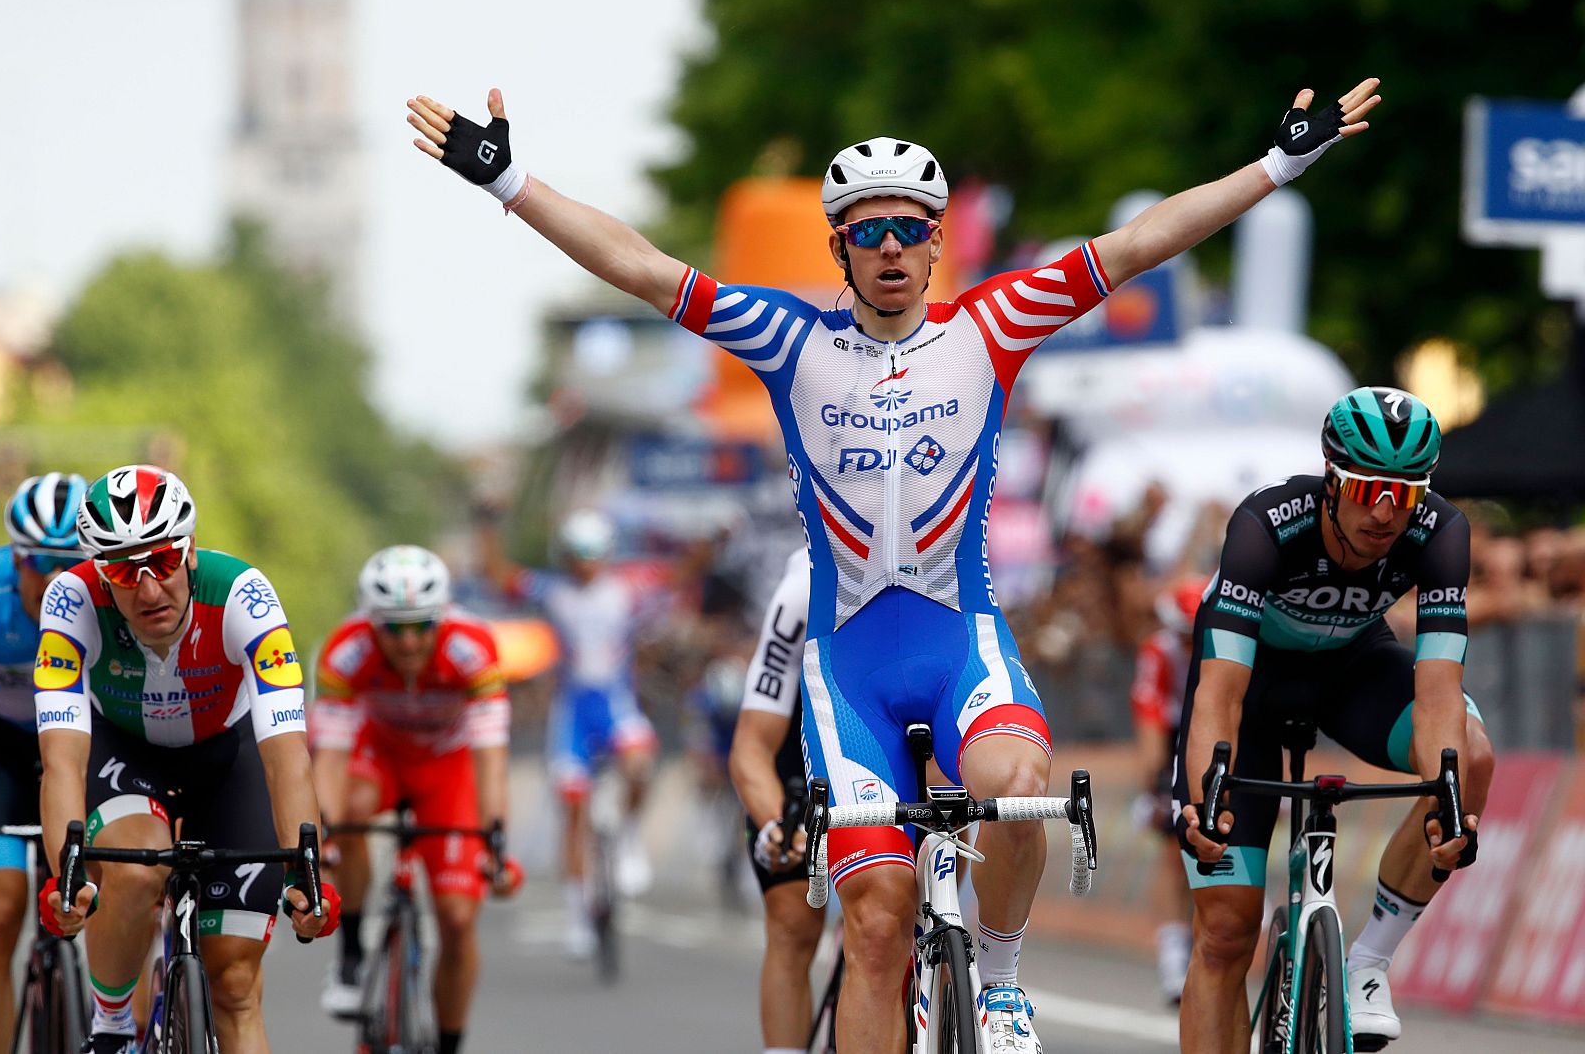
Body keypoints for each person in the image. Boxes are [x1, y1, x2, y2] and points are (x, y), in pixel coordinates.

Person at [409, 77, 1381, 1053]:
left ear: (935, 242)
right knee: (874, 921)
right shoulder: (788, 338)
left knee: (1017, 779)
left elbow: (1136, 246)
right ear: (837, 245)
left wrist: (1276, 165)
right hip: (851, 673)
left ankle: (996, 978)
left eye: (909, 230)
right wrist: (511, 181)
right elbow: (642, 268)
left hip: (961, 644)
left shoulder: (991, 324)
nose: (888, 249)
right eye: (866, 232)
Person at [1174, 388, 1492, 1052]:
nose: (1384, 513)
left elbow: (1437, 692)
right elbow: (1219, 694)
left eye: (1404, 496)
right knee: (1227, 932)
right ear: (1331, 478)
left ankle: (1369, 962)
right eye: (1369, 489)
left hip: (1351, 672)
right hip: (1250, 689)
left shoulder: (1442, 534)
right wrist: (1206, 797)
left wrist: (1447, 796)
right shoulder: (1266, 526)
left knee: (1473, 755)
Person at [33, 465, 339, 1054]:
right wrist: (66, 879)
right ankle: (113, 1025)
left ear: (191, 551)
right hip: (126, 751)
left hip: (230, 757)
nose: (149, 590)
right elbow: (64, 759)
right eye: (124, 570)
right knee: (134, 868)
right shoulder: (70, 600)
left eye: (164, 561)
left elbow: (287, 758)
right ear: (102, 574)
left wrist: (308, 878)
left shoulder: (245, 595)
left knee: (235, 982)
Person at [312, 545, 521, 1054]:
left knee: (456, 920)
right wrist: (320, 837)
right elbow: (331, 760)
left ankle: (449, 1043)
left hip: (446, 767)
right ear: (371, 622)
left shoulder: (473, 648)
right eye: (394, 628)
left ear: (442, 617)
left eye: (422, 626)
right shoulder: (345, 651)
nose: (408, 642)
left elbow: (491, 757)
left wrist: (495, 842)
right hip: (377, 755)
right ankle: (351, 951)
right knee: (349, 815)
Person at [478, 508, 657, 956]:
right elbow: (500, 576)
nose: (585, 563)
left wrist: (711, 542)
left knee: (639, 764)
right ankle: (578, 914)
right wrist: (488, 525)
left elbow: (675, 577)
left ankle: (630, 837)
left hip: (615, 704)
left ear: (607, 556)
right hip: (572, 712)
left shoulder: (625, 592)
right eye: (577, 555)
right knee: (573, 809)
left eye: (593, 554)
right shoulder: (553, 592)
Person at [0, 473, 87, 1053]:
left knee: (113, 898)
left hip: (76, 748)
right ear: (16, 559)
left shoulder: (104, 599)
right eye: (42, 563)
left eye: (71, 562)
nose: (55, 579)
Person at [728, 548, 822, 1054]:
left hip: (903, 748)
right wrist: (773, 827)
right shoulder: (804, 582)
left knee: (887, 926)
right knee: (793, 921)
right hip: (799, 758)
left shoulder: (942, 559)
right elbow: (750, 747)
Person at [1130, 575, 1207, 1005]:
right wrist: (1154, 787)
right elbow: (1150, 724)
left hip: (1220, 735)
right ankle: (1174, 955)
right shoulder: (1159, 653)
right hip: (1176, 738)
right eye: (1186, 638)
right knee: (1173, 853)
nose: (1192, 648)